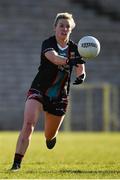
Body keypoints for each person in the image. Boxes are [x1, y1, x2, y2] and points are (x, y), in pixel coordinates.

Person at [11, 12, 86, 171]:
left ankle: (51, 137)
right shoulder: (48, 43)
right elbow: (53, 57)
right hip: (39, 89)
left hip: (59, 95)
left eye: (67, 26)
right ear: (55, 28)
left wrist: (81, 75)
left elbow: (80, 64)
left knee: (49, 136)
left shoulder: (74, 48)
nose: (64, 29)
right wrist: (68, 61)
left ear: (71, 30)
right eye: (61, 25)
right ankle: (16, 163)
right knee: (29, 123)